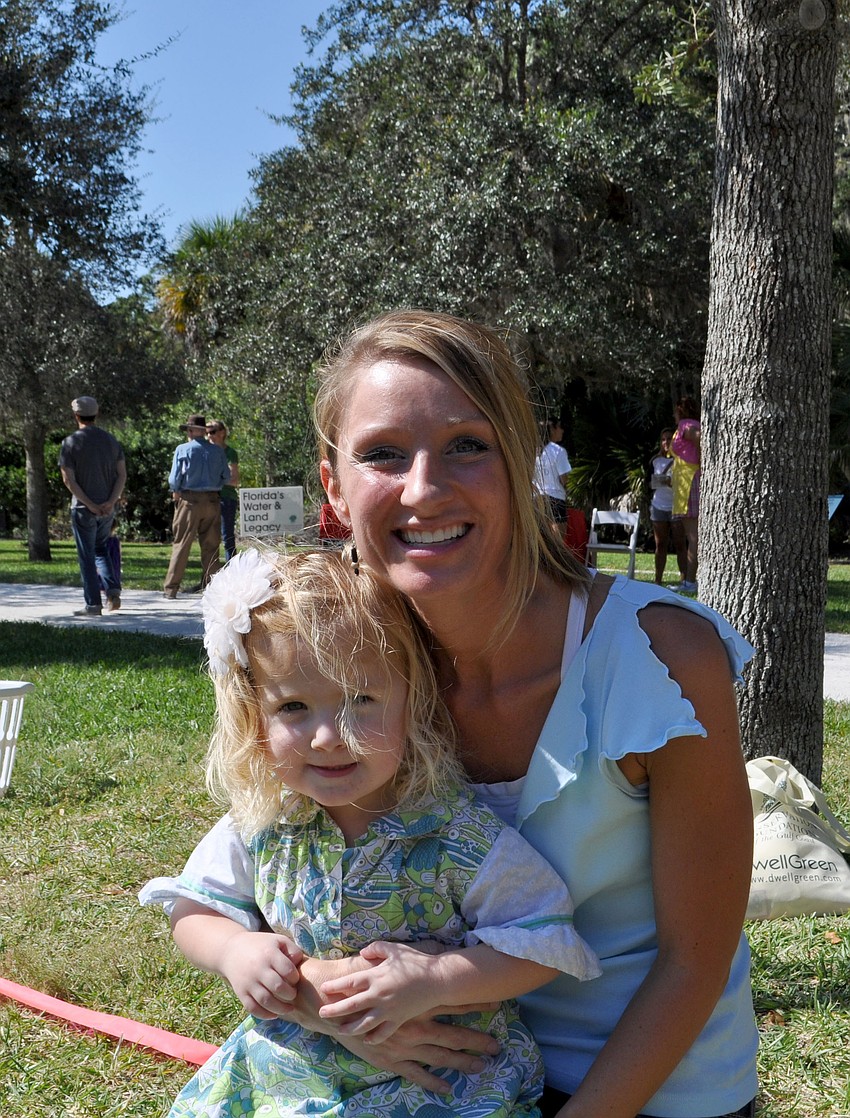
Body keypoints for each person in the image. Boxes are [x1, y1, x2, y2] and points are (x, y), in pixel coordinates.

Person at [310, 310, 757, 1118]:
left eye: (467, 445)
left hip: (647, 1094)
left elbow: (696, 959)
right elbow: (270, 883)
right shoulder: (336, 667)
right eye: (382, 453)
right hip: (441, 1087)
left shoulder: (660, 658)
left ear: (523, 464)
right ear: (334, 486)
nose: (423, 488)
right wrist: (319, 1001)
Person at [141, 547, 600, 1118]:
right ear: (254, 715)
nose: (329, 735)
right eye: (294, 707)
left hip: (439, 1081)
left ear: (412, 702)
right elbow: (193, 908)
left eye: (361, 701)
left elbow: (541, 943)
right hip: (292, 1071)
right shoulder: (261, 824)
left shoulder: (459, 834)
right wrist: (237, 949)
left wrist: (437, 978)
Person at [58, 395, 125, 617]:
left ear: (76, 415)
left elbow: (69, 479)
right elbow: (121, 475)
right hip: (107, 509)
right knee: (101, 549)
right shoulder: (111, 441)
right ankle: (113, 591)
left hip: (83, 509)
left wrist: (90, 504)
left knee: (87, 555)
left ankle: (93, 604)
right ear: (96, 415)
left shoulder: (70, 443)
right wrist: (110, 502)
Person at [164, 414, 231, 599]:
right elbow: (226, 476)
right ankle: (213, 589)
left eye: (188, 429)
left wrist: (176, 490)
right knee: (211, 547)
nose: (187, 433)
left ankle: (171, 589)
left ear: (194, 431)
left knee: (182, 544)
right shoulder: (218, 451)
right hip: (212, 501)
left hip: (189, 501)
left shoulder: (183, 449)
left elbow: (174, 479)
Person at [670, 396, 701, 594]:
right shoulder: (685, 425)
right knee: (693, 536)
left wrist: (701, 458)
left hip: (690, 482)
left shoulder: (685, 424)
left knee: (694, 537)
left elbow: (700, 436)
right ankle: (690, 579)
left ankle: (690, 581)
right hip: (685, 484)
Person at [649, 428, 686, 586]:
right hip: (658, 506)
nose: (666, 442)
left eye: (669, 439)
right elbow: (648, 483)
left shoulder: (682, 460)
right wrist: (656, 482)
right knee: (660, 544)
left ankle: (685, 579)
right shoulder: (655, 461)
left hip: (676, 506)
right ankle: (658, 579)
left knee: (680, 544)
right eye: (663, 439)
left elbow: (687, 483)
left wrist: (673, 483)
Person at [206, 420, 240, 562]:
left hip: (226, 498)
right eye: (207, 433)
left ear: (222, 433)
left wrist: (214, 480)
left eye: (212, 432)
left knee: (227, 537)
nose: (209, 436)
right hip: (208, 499)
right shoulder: (206, 452)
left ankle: (231, 570)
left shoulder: (230, 453)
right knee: (209, 537)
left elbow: (234, 480)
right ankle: (210, 573)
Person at [533, 419, 572, 529]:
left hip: (536, 499)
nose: (562, 431)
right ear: (552, 430)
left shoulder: (532, 451)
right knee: (557, 541)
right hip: (555, 498)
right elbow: (564, 479)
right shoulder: (558, 451)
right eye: (559, 427)